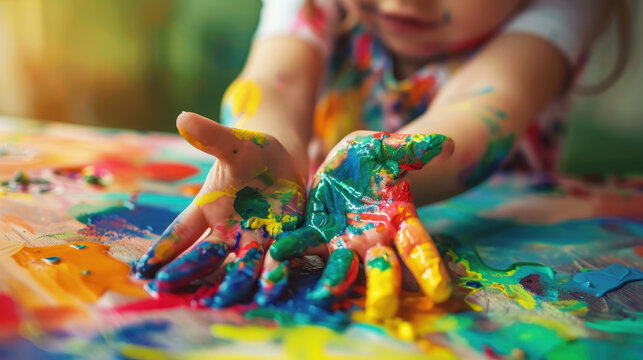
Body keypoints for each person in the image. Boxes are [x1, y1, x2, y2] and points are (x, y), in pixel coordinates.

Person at [135, 0, 618, 320]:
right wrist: (265, 148)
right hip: (331, 227)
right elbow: (275, 80)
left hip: (522, 257)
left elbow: (485, 104)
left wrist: (381, 172)